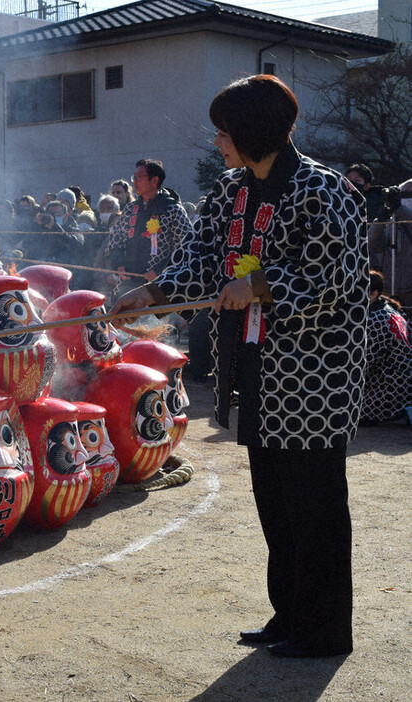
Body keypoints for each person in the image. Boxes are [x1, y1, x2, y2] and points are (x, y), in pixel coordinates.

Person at [111, 74, 367, 658]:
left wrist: (261, 284)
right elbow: (201, 261)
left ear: (250, 130)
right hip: (253, 367)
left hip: (314, 373)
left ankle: (324, 630)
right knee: (274, 499)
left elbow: (338, 280)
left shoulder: (322, 191)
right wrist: (153, 295)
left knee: (315, 504)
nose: (217, 141)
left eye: (224, 131)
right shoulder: (229, 191)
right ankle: (290, 613)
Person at [99, 159, 194, 297]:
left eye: (139, 177)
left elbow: (185, 247)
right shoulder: (131, 209)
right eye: (134, 177)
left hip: (161, 283)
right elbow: (115, 241)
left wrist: (160, 269)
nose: (135, 181)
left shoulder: (173, 209)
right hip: (128, 281)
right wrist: (118, 264)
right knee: (123, 315)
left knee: (158, 318)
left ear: (155, 180)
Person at [361, 270, 412, 424]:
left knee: (349, 412)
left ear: (373, 294)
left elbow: (364, 362)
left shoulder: (376, 319)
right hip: (403, 380)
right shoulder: (391, 309)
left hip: (393, 386)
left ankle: (402, 413)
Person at [368, 178, 412, 307]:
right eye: (404, 195)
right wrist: (381, 220)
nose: (407, 198)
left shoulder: (403, 214)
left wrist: (400, 209)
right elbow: (373, 245)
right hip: (389, 289)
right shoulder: (392, 221)